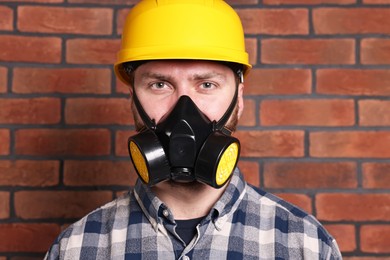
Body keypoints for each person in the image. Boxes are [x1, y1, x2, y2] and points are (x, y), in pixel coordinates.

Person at [45, 0, 342, 259]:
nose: (183, 109)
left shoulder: (306, 246)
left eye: (206, 84)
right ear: (132, 99)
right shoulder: (77, 248)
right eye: (159, 84)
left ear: (239, 98)